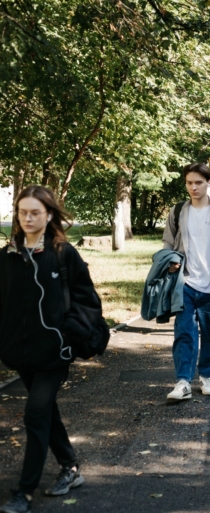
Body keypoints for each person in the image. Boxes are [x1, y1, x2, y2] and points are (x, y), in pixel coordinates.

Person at [0, 186, 103, 513]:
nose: (28, 219)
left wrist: (68, 335)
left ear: (49, 215)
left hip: (55, 354)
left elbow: (87, 300)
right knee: (44, 412)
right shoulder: (8, 256)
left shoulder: (63, 253)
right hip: (21, 354)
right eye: (22, 212)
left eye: (35, 213)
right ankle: (70, 467)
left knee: (35, 412)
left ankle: (24, 491)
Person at [163, 163, 210, 402]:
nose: (194, 187)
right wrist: (171, 262)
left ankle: (206, 375)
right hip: (185, 283)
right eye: (189, 183)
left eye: (199, 182)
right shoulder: (177, 212)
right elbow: (167, 245)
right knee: (184, 333)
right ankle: (183, 381)